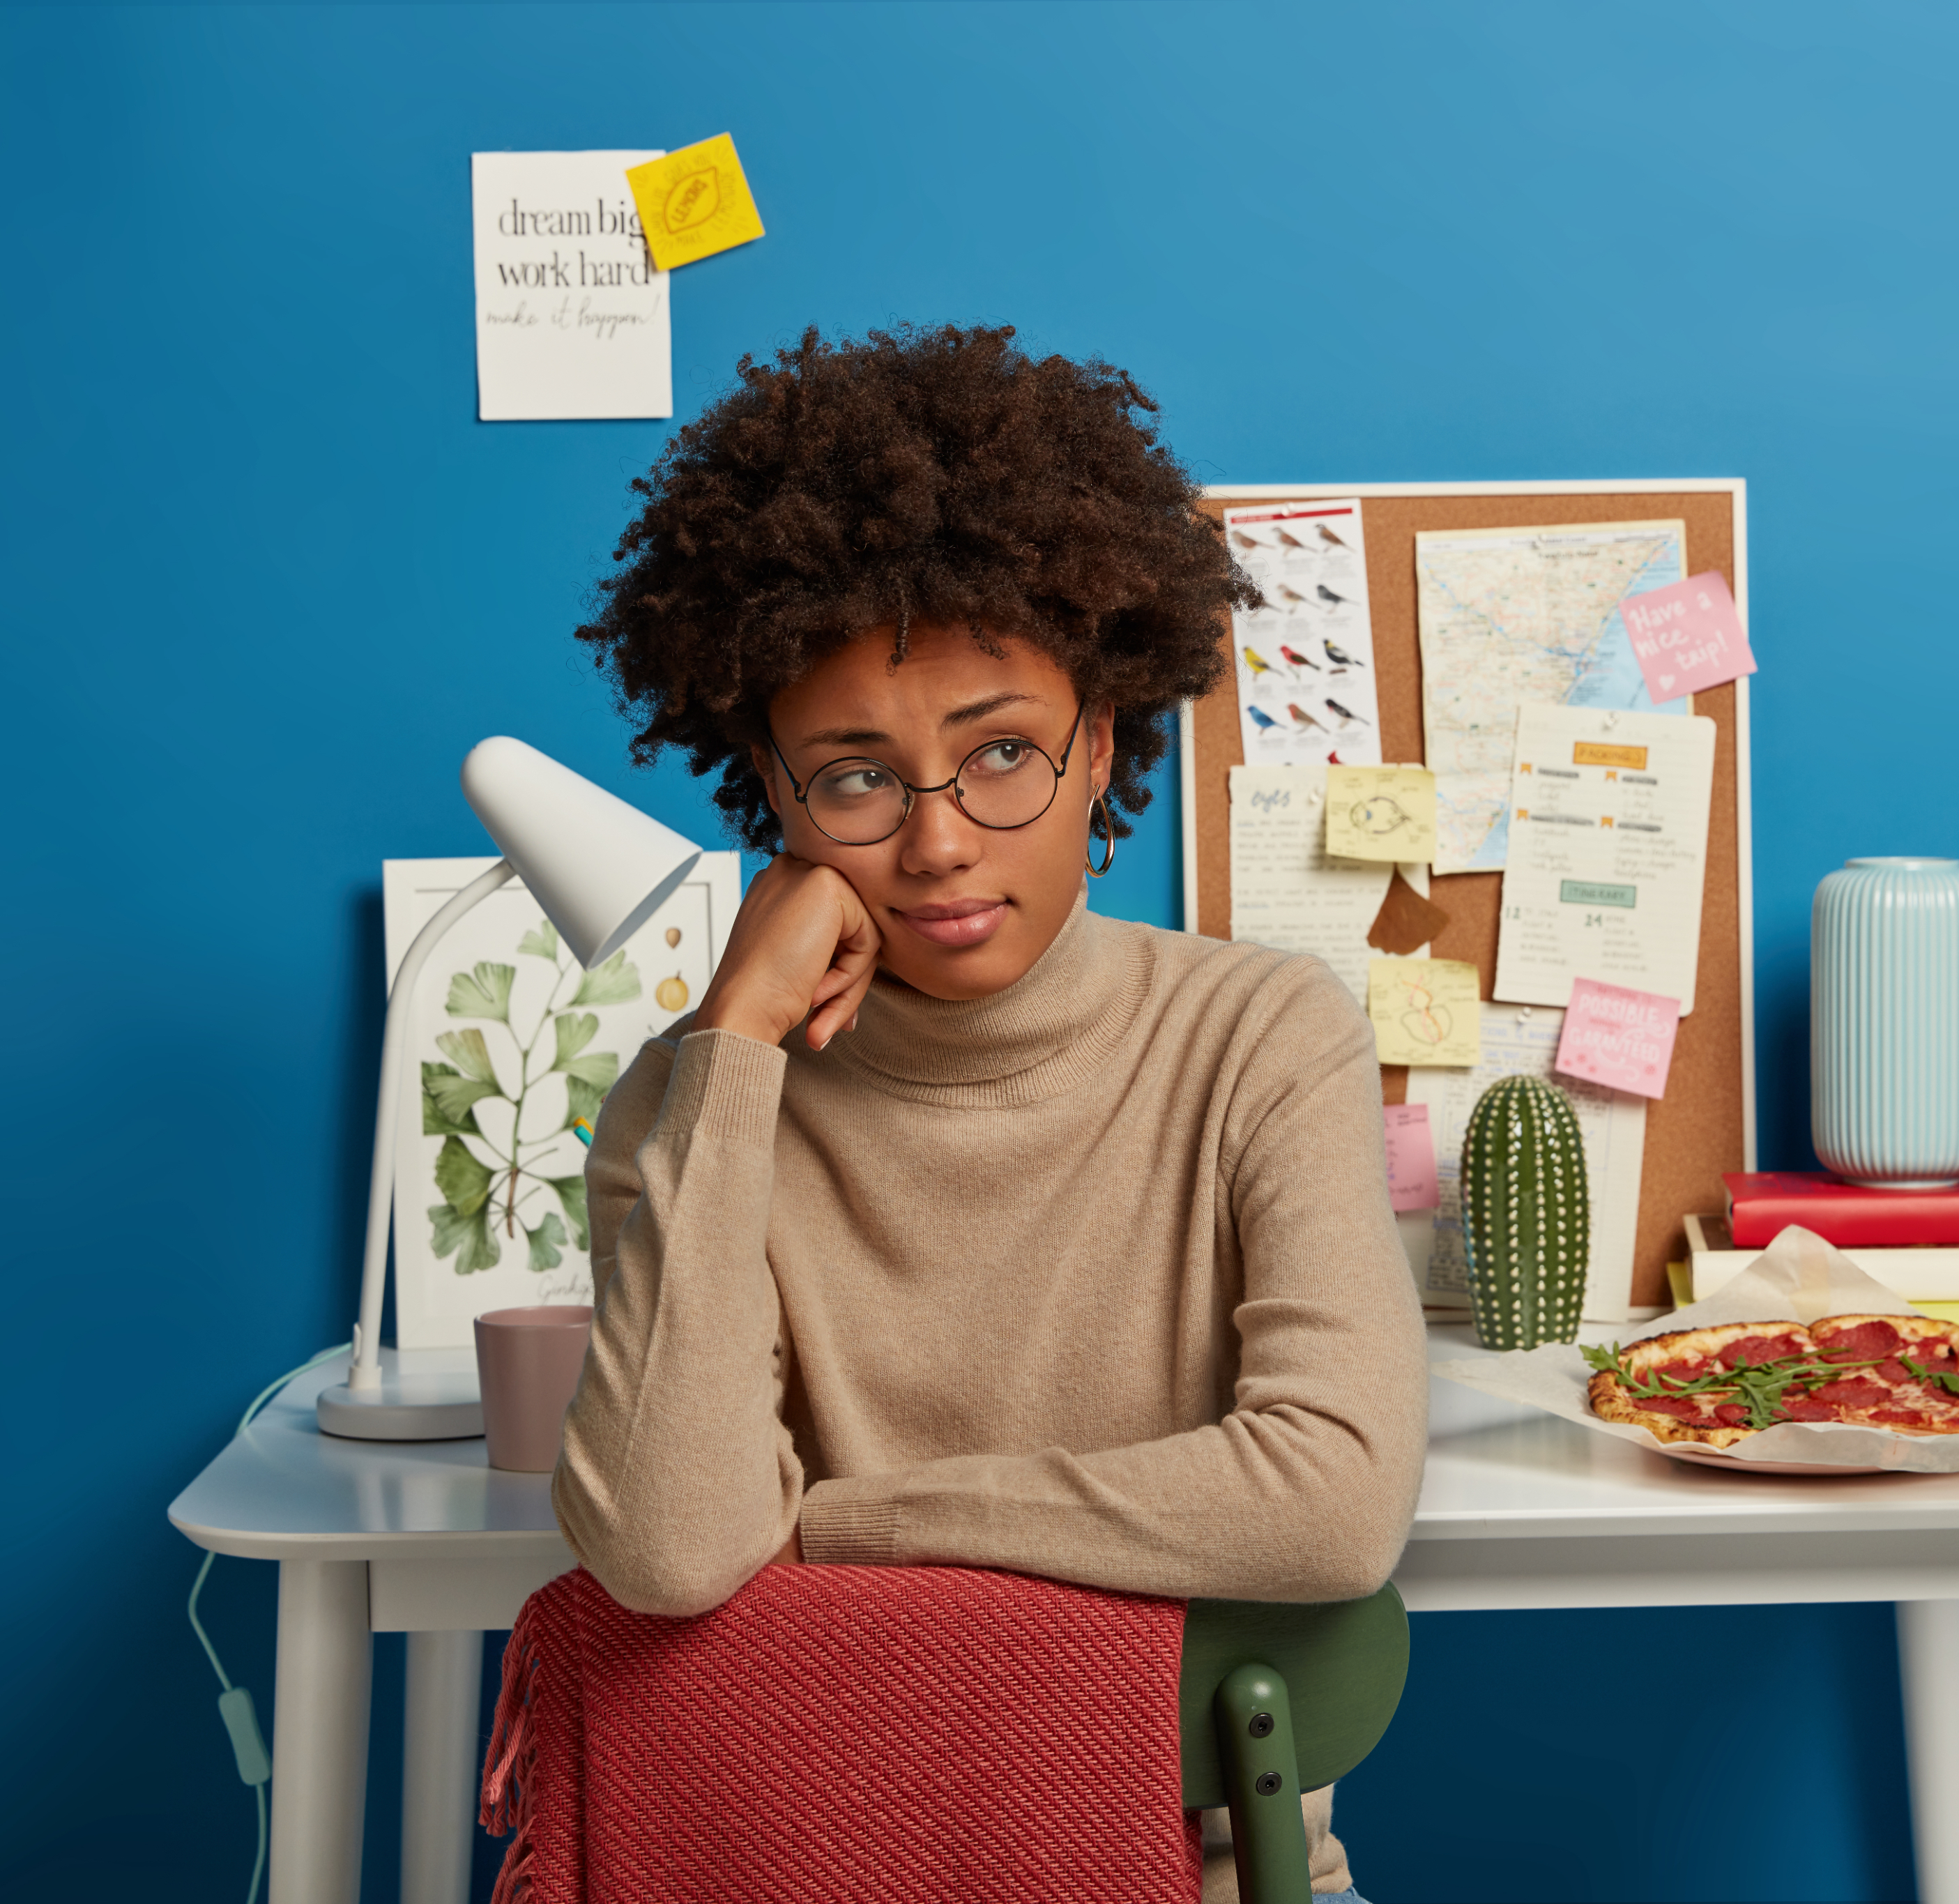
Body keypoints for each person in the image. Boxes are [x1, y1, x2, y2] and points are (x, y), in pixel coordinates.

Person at [554, 322, 1428, 1904]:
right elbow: (673, 1549)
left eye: (1001, 754)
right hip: (805, 1869)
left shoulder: (1259, 1036)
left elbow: (1332, 1501)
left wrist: (856, 1522)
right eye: (857, 777)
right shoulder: (691, 1112)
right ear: (773, 794)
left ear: (1100, 743)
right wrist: (735, 1036)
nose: (943, 841)